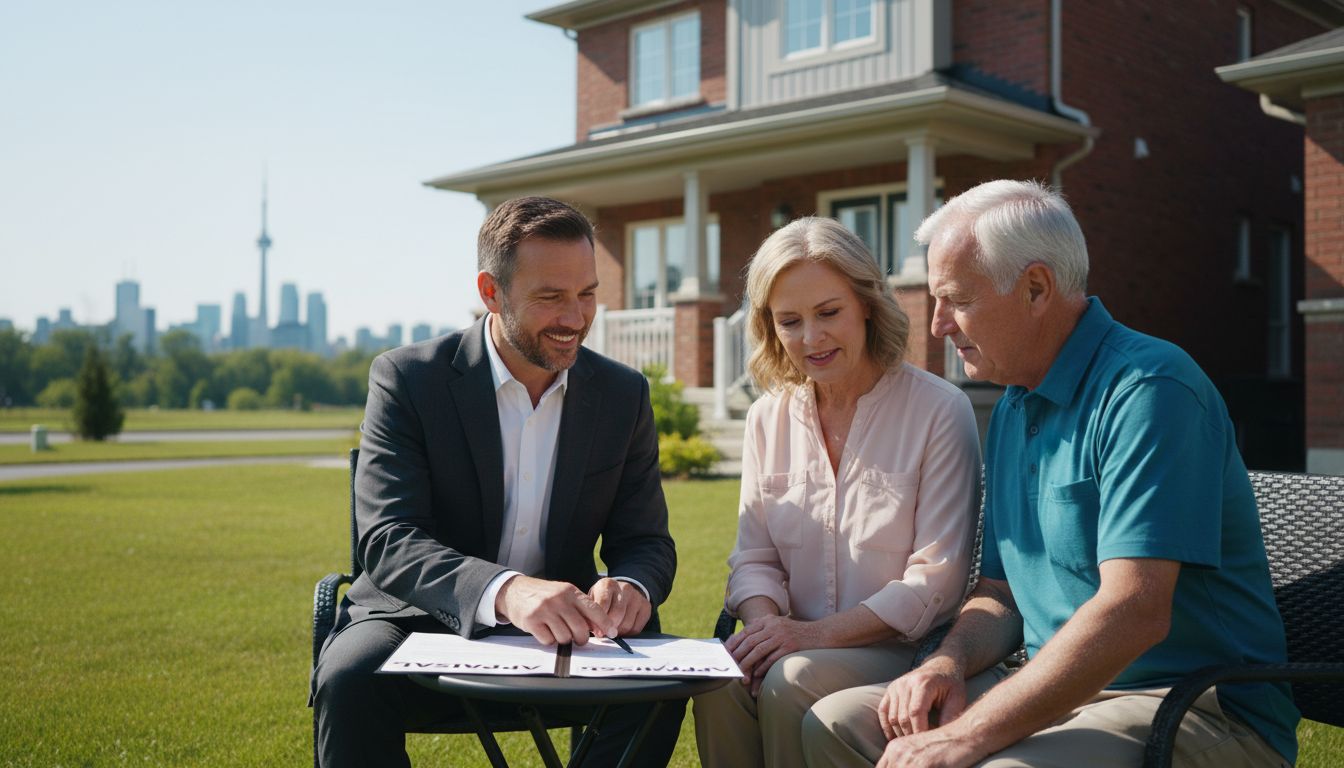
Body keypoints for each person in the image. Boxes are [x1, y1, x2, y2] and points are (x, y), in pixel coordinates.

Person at [802, 179, 1298, 768]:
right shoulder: (1014, 402)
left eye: (956, 299)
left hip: (1191, 705)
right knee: (835, 724)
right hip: (1057, 690)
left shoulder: (1150, 391)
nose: (937, 326)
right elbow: (1000, 593)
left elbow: (1135, 610)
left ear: (1035, 288)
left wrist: (971, 732)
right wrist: (947, 663)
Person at [311, 196, 682, 768]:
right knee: (349, 675)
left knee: (659, 687)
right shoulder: (408, 379)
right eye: (551, 297)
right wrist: (508, 591)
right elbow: (388, 538)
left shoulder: (622, 394)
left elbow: (647, 541)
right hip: (416, 615)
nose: (576, 318)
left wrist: (633, 584)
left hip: (569, 628)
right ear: (491, 292)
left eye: (587, 294)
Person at [693, 217, 982, 768]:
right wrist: (764, 630)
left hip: (904, 649)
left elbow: (936, 581)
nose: (811, 338)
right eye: (789, 321)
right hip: (793, 641)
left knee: (788, 677)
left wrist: (808, 637)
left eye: (829, 313)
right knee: (720, 677)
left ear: (867, 304)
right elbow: (753, 559)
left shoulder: (940, 410)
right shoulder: (764, 418)